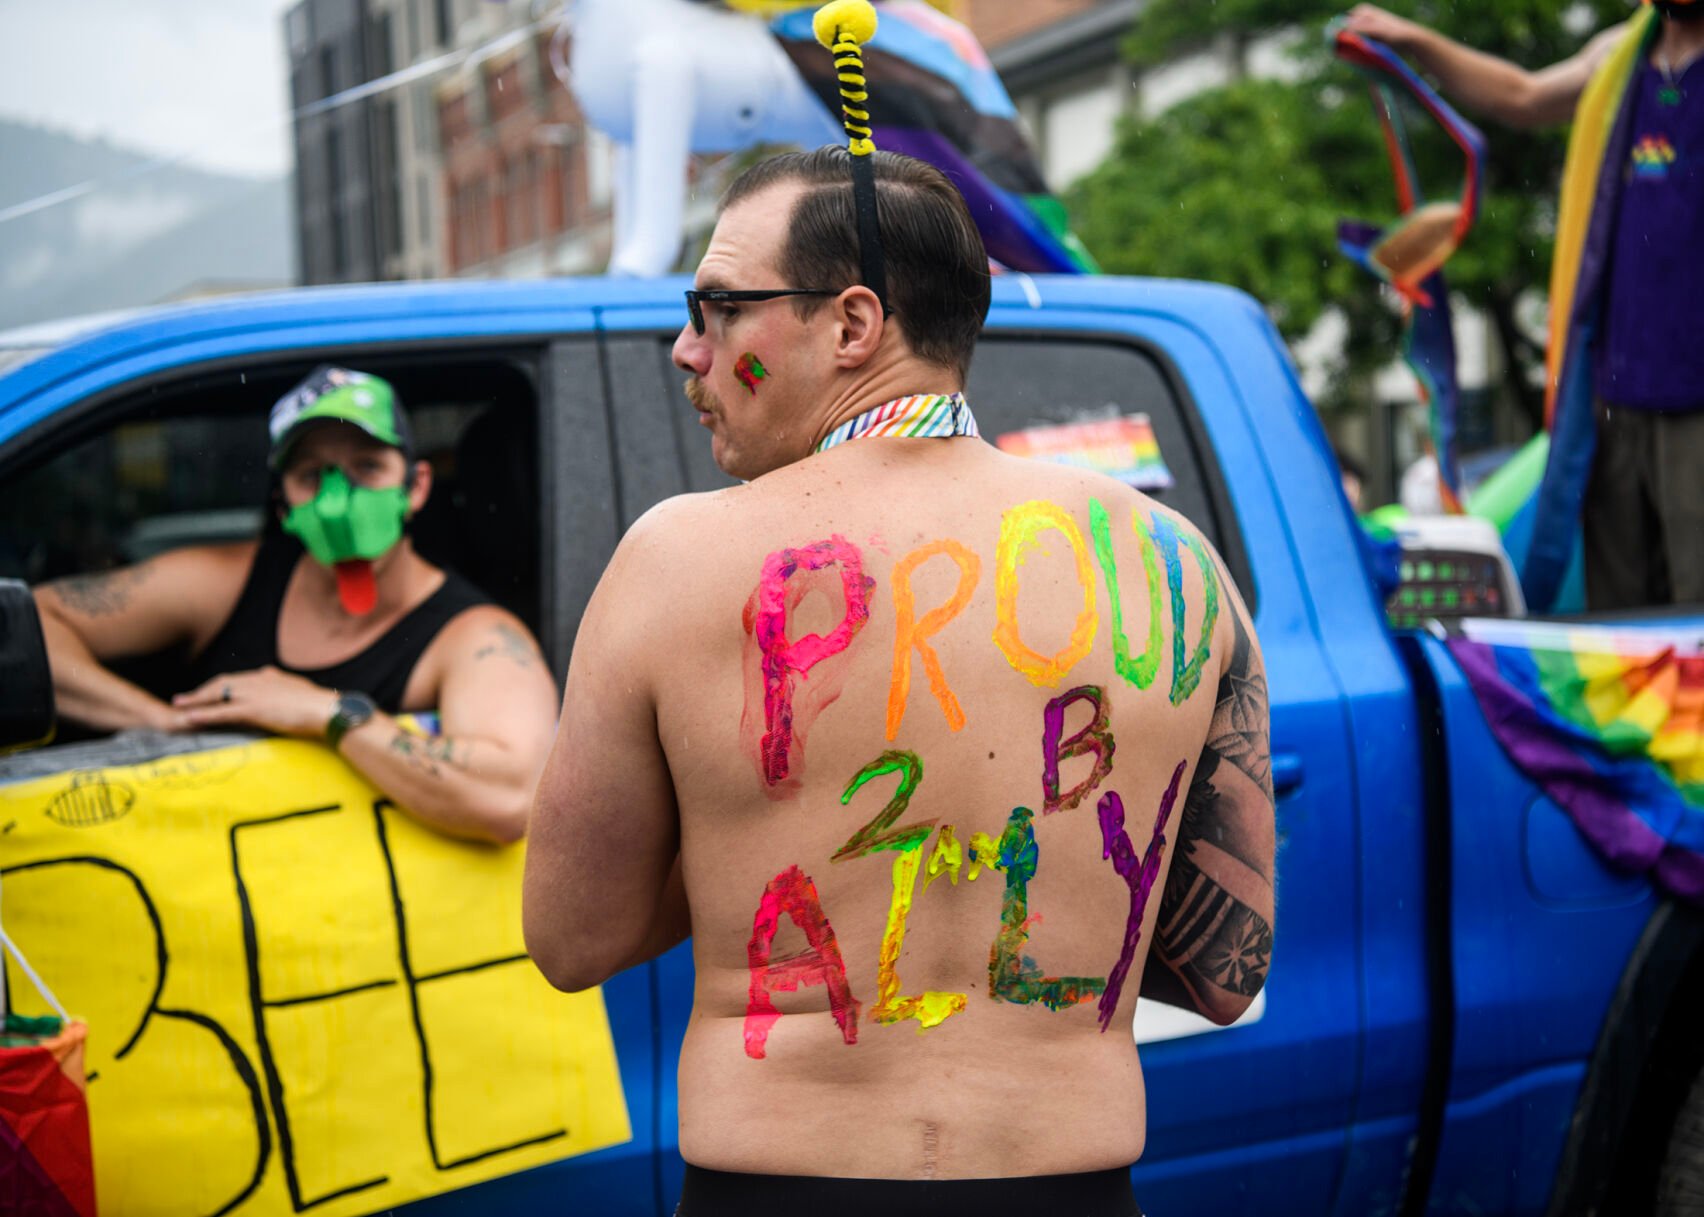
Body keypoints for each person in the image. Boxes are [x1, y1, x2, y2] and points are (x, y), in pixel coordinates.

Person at [523, 144, 1274, 1217]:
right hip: (1068, 1186)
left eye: (720, 307)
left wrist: (760, 840)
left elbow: (571, 935)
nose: (688, 349)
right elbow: (1223, 973)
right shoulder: (1175, 562)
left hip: (778, 1188)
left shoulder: (674, 563)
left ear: (854, 324)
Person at [33, 366, 557, 843]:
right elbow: (29, 625)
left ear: (415, 486)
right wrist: (158, 724)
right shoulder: (226, 582)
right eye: (311, 476)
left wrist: (328, 713)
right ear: (283, 505)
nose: (337, 504)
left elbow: (511, 798)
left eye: (367, 467)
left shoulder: (475, 636)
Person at [1345, 2, 1704, 611]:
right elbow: (1522, 96)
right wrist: (1413, 40)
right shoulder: (1622, 57)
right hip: (1613, 395)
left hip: (1696, 398)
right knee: (1621, 612)